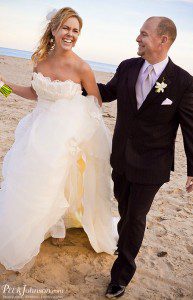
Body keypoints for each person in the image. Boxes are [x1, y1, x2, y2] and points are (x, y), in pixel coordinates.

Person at [0, 7, 117, 272]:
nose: (70, 34)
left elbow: (95, 101)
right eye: (66, 28)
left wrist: (77, 125)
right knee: (31, 179)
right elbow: (34, 92)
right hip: (38, 128)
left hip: (68, 133)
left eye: (75, 30)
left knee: (57, 176)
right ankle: (44, 225)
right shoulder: (40, 60)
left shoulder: (82, 67)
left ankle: (59, 222)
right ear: (53, 29)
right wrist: (3, 86)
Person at [97, 17, 193, 298]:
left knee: (135, 218)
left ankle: (121, 275)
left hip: (153, 164)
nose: (137, 39)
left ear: (162, 40)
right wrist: (77, 82)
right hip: (120, 158)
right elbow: (107, 93)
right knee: (125, 209)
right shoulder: (128, 67)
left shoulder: (183, 82)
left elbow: (192, 127)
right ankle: (125, 241)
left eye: (143, 34)